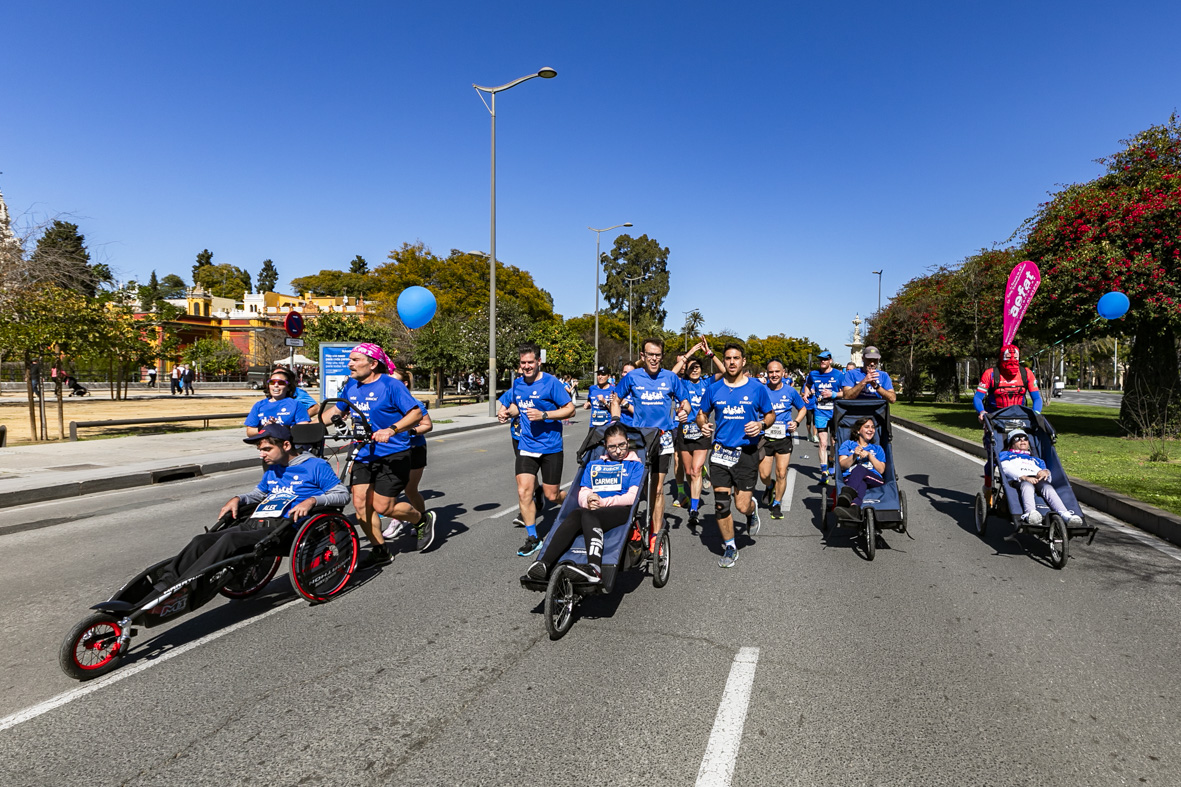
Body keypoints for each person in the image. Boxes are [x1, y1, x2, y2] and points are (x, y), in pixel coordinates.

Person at [154, 424, 350, 586]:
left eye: (267, 449)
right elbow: (259, 494)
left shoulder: (315, 466)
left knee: (229, 541)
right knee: (201, 541)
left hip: (285, 528)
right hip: (256, 522)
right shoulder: (273, 469)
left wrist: (312, 500)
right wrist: (238, 498)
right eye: (260, 450)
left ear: (286, 445)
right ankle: (167, 581)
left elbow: (342, 494)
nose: (261, 455)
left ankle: (189, 584)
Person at [320, 343, 435, 567]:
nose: (349, 364)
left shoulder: (391, 385)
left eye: (355, 360)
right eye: (350, 359)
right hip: (363, 452)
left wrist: (392, 430)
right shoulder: (351, 385)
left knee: (384, 507)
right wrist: (307, 427)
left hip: (393, 453)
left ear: (373, 364)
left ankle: (421, 519)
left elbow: (415, 414)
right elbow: (337, 411)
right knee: (361, 505)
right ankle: (380, 549)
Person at [523, 422, 645, 584]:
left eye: (622, 445)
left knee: (587, 515)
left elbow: (632, 497)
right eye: (612, 447)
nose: (618, 451)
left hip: (620, 509)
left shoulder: (635, 465)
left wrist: (603, 502)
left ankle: (594, 568)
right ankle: (544, 563)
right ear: (605, 446)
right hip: (594, 508)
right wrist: (588, 500)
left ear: (628, 442)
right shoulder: (595, 465)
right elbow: (584, 491)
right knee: (576, 513)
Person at [696, 342, 775, 568]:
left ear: (743, 361)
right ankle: (730, 547)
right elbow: (701, 414)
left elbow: (770, 415)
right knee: (721, 505)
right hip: (720, 452)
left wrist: (761, 425)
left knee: (741, 505)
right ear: (724, 361)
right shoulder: (714, 389)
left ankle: (751, 511)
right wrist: (702, 424)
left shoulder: (756, 388)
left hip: (746, 453)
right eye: (728, 358)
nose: (732, 362)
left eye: (736, 358)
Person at [611, 337, 690, 552]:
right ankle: (632, 528)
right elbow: (615, 399)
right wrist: (616, 421)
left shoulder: (671, 377)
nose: (654, 359)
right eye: (650, 355)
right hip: (639, 441)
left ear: (662, 357)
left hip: (663, 439)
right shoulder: (633, 377)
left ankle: (655, 533)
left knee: (657, 489)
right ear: (643, 356)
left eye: (657, 355)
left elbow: (685, 402)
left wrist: (684, 411)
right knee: (635, 488)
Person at [497, 343, 576, 557]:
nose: (526, 366)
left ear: (539, 361)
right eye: (523, 363)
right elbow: (517, 406)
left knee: (552, 495)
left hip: (550, 446)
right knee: (524, 491)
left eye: (530, 362)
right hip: (527, 444)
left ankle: (574, 502)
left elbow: (570, 410)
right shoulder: (518, 383)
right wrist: (506, 413)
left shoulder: (551, 383)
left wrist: (544, 415)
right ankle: (533, 538)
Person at [974, 344, 1043, 501]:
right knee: (993, 458)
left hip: (1020, 422)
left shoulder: (1026, 374)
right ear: (1001, 360)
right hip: (995, 421)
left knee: (1024, 455)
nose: (1012, 364)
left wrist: (1036, 414)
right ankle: (988, 490)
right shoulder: (990, 374)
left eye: (1015, 360)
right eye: (1008, 360)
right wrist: (982, 412)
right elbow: (978, 397)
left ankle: (1019, 488)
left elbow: (1037, 398)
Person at [382, 369, 434, 539]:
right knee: (390, 490)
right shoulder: (385, 402)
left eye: (394, 381)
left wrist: (409, 431)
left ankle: (422, 520)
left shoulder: (414, 403)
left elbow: (427, 425)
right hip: (392, 450)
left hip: (414, 449)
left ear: (404, 384)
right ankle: (398, 519)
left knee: (410, 490)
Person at [998, 429, 1082, 526]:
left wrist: (1045, 472)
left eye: (1025, 438)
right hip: (1019, 479)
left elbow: (1045, 472)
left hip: (1037, 479)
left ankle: (1065, 514)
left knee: (1048, 487)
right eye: (1017, 439)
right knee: (1027, 486)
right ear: (1011, 444)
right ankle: (1030, 513)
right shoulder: (1007, 455)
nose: (1022, 441)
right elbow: (1006, 468)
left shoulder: (1036, 460)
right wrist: (1024, 477)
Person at [758, 359, 807, 520]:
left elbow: (803, 408)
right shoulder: (761, 390)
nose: (774, 375)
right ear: (767, 373)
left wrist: (796, 422)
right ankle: (769, 486)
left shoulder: (790, 391)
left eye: (777, 372)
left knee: (781, 473)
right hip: (765, 438)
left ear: (783, 372)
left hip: (783, 438)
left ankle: (777, 503)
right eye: (771, 372)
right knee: (764, 474)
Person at [671, 354, 712, 528]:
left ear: (701, 369)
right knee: (688, 471)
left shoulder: (707, 383)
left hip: (702, 430)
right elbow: (671, 375)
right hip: (685, 431)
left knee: (695, 470)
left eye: (697, 367)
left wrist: (711, 354)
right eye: (691, 368)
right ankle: (692, 490)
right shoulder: (682, 383)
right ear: (686, 370)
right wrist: (688, 355)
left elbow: (724, 372)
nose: (695, 370)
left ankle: (694, 509)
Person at [803, 350, 844, 484]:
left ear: (830, 361)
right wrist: (806, 394)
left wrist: (833, 394)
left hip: (835, 411)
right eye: (821, 359)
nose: (822, 361)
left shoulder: (838, 375)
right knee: (822, 442)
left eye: (825, 359)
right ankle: (823, 471)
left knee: (833, 442)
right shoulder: (813, 374)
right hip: (820, 411)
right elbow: (808, 385)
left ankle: (831, 460)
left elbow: (846, 392)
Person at [834, 416, 887, 518]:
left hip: (874, 479)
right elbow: (842, 465)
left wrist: (870, 456)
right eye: (867, 427)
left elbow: (881, 470)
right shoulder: (848, 445)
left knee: (860, 468)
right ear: (858, 431)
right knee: (861, 483)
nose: (871, 430)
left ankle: (847, 494)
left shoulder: (877, 448)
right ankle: (854, 508)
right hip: (851, 478)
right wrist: (854, 455)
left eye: (872, 427)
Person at [244, 367, 311, 436]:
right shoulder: (259, 405)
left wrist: (281, 428)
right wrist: (264, 428)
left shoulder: (296, 405)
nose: (276, 385)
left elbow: (303, 429)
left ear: (288, 387)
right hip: (264, 441)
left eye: (281, 383)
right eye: (272, 382)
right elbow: (249, 432)